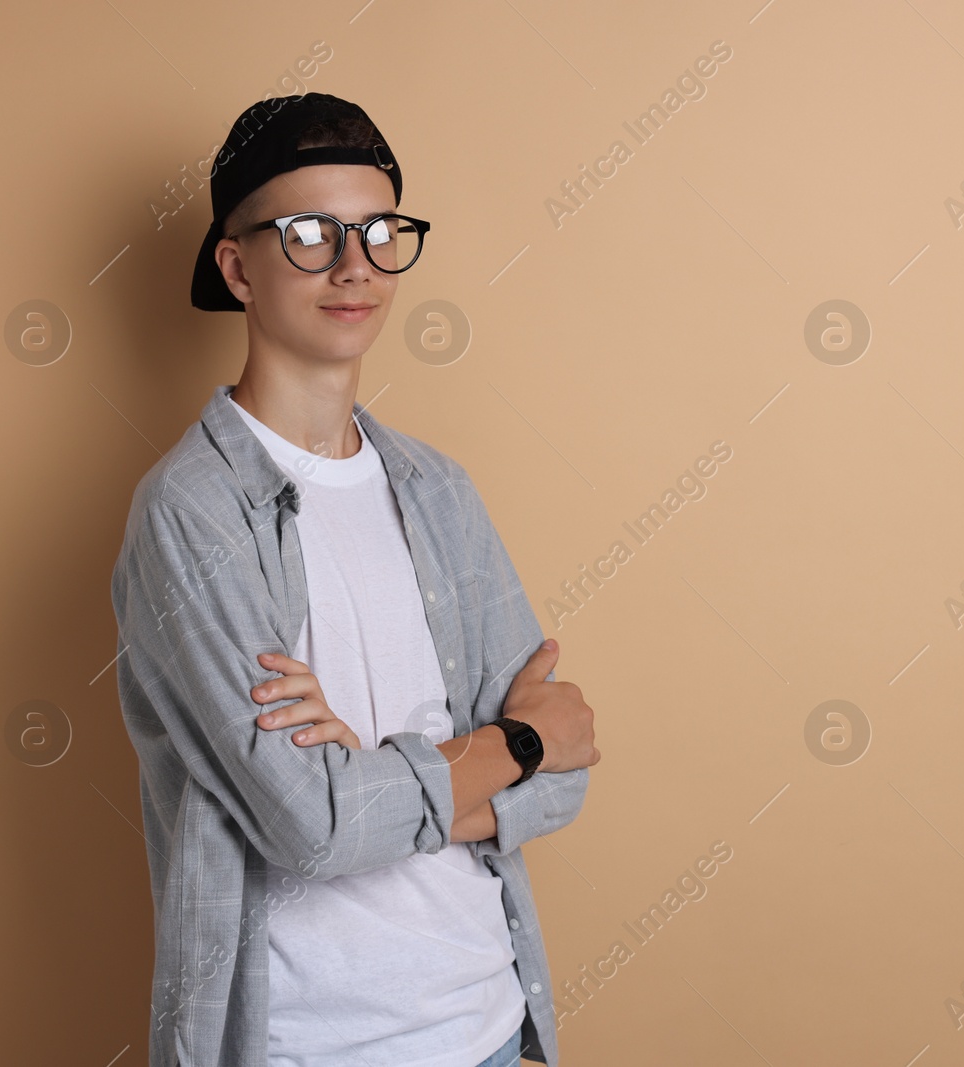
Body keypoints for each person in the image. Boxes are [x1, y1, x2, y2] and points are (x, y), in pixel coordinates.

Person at [110, 92, 599, 1067]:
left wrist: (375, 775)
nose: (354, 265)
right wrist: (513, 738)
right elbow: (310, 823)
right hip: (305, 1043)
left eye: (379, 232)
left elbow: (565, 777)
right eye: (309, 233)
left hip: (487, 1022)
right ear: (236, 264)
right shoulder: (190, 514)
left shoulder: (438, 490)